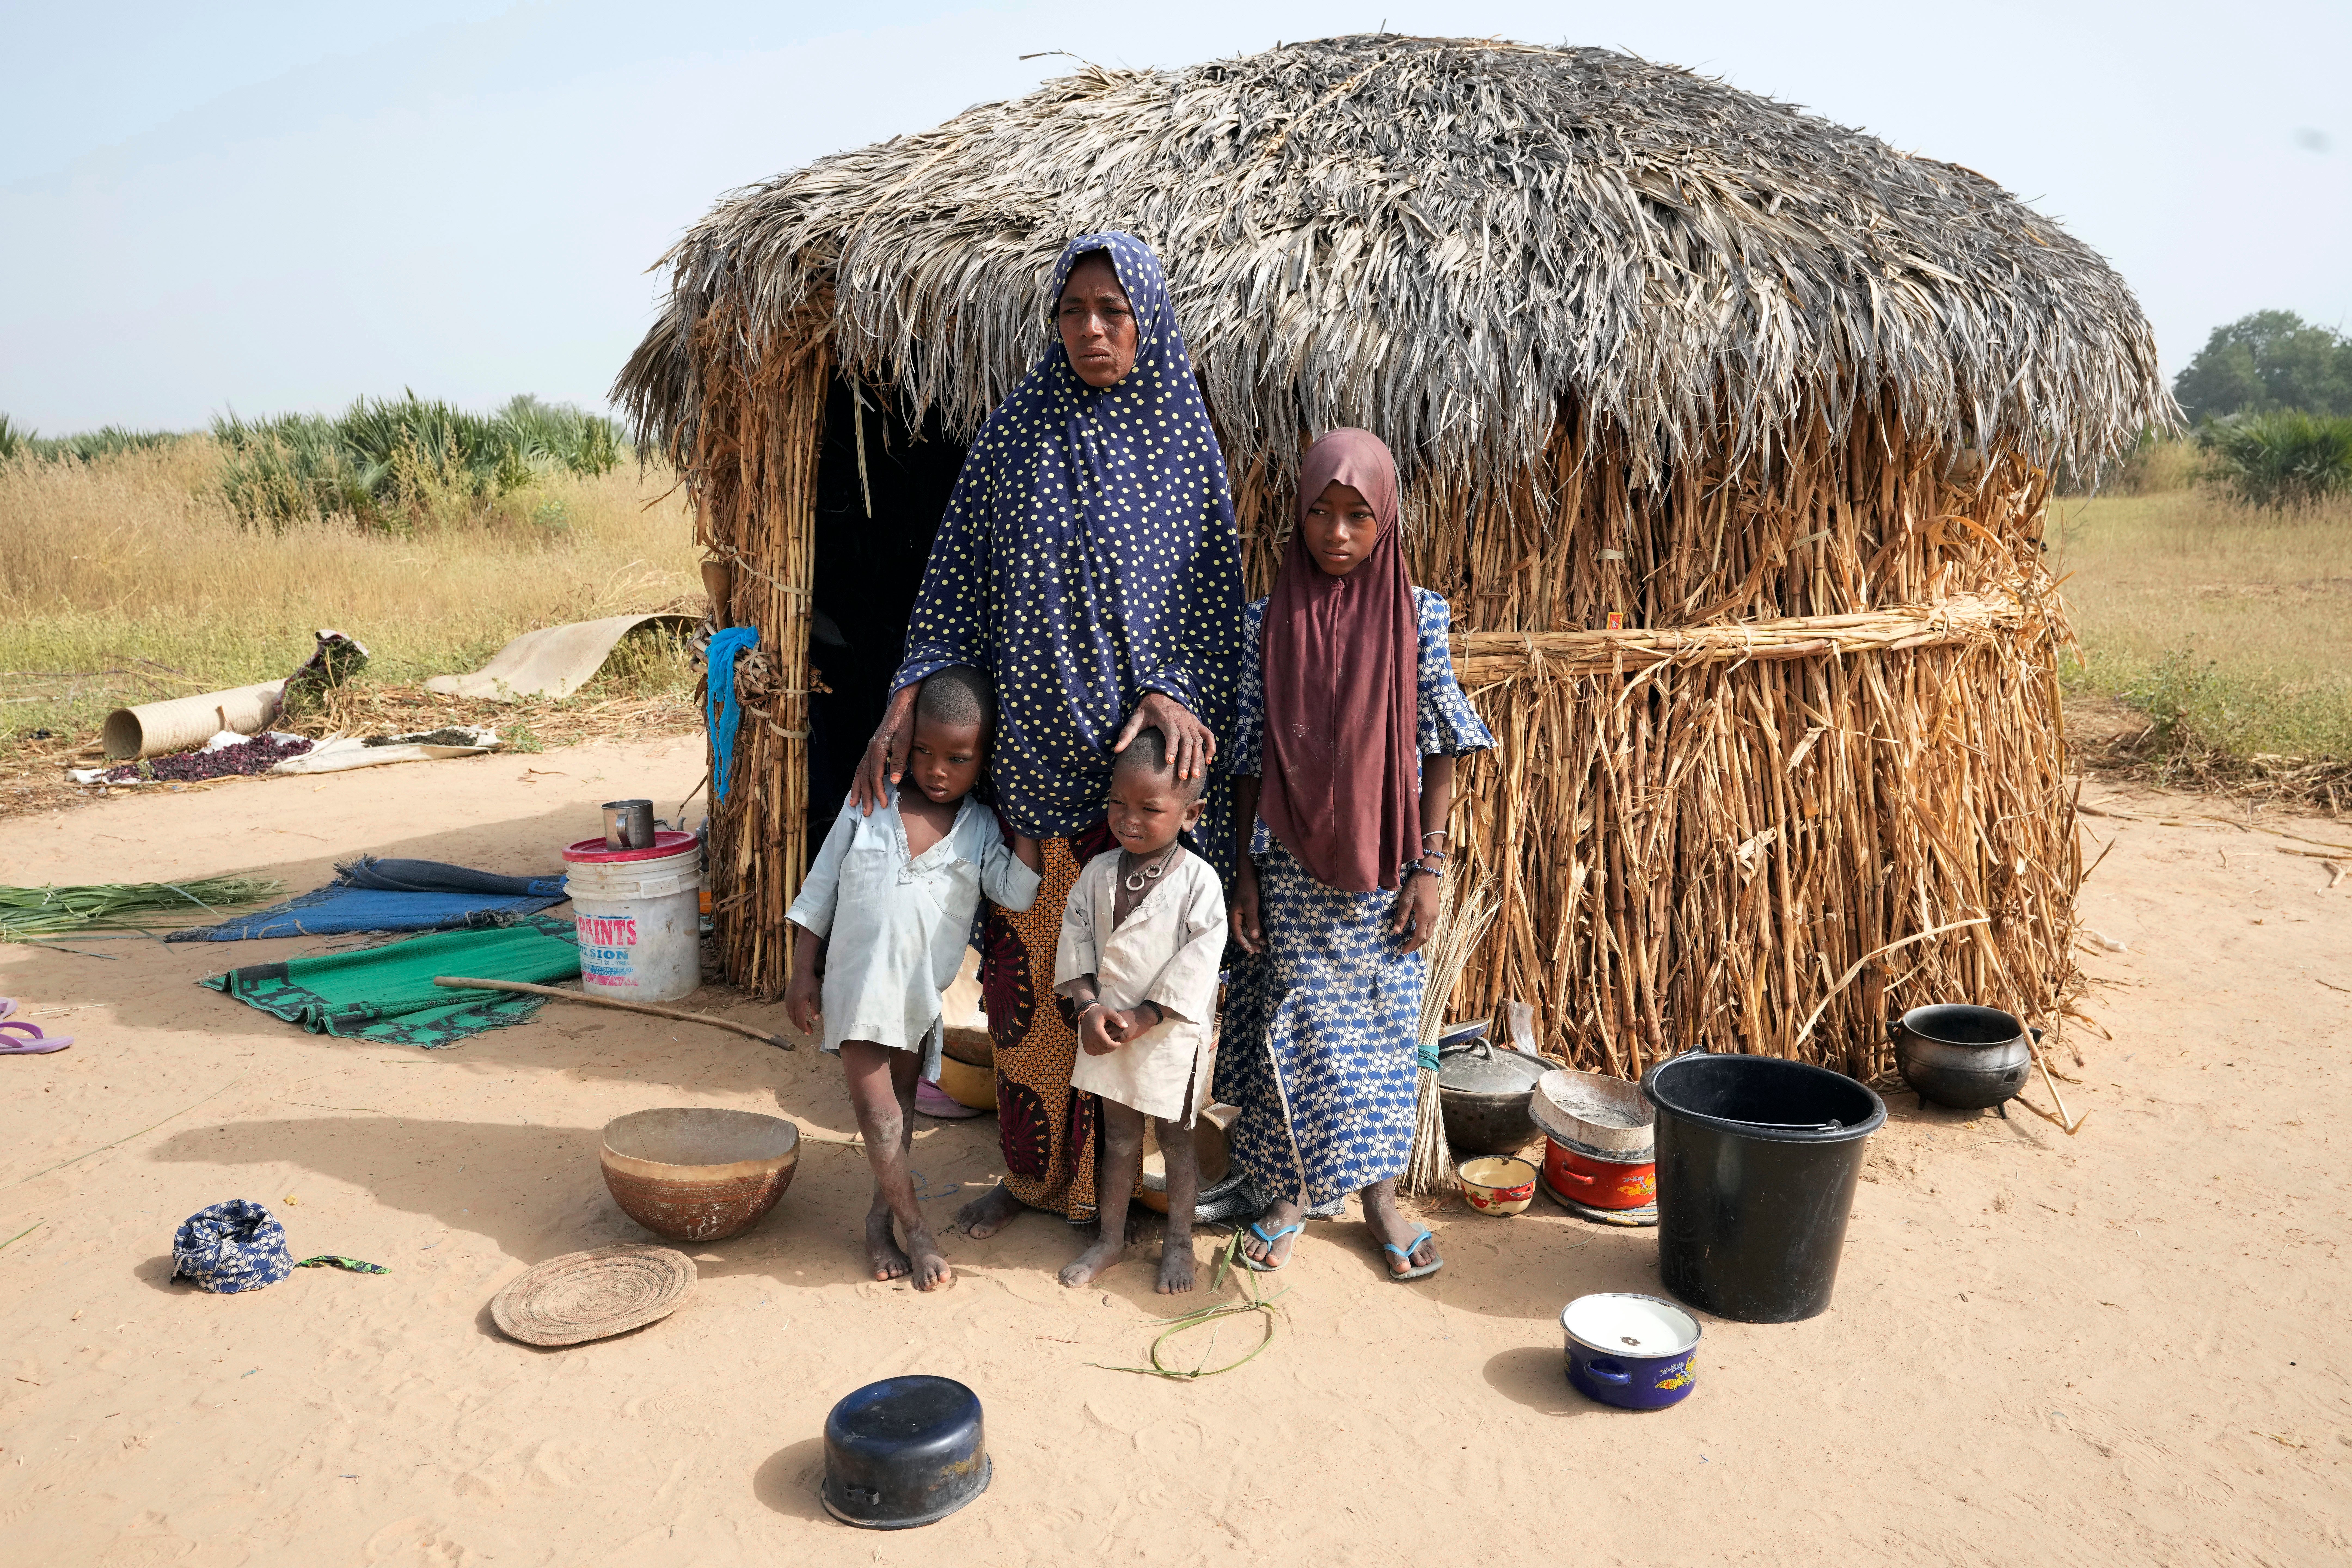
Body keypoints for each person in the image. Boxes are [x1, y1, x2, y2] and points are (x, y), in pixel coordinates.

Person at [852, 232, 1245, 1241]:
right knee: (1028, 997)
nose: (1092, 329)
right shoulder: (1016, 436)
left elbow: (1210, 610)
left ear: (1146, 317)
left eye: (1112, 310)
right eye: (1074, 312)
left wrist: (1172, 688)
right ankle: (1033, 1183)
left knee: (1130, 997)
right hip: (1030, 768)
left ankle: (1118, 1201)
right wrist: (909, 691)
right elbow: (955, 583)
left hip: (1136, 786)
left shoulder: (1181, 444)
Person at [1217, 428, 1496, 1280]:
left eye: (1357, 517)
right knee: (1293, 1024)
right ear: (1297, 517)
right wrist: (1243, 872)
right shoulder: (1267, 621)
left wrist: (1432, 864)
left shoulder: (1421, 615)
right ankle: (1290, 1194)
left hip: (1387, 863)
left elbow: (1441, 745)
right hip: (1290, 861)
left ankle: (1379, 1197)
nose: (1336, 534)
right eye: (1320, 514)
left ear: (1388, 523)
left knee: (1379, 1029)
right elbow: (1246, 757)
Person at [786, 667, 1042, 1291]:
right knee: (879, 1119)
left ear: (984, 761)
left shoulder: (981, 829)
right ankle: (917, 1231)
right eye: (924, 751)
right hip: (855, 991)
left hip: (916, 1002)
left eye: (958, 758)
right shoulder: (869, 801)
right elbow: (820, 891)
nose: (936, 769)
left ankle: (879, 1222)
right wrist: (801, 971)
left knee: (900, 1111)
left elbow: (1016, 892)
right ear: (904, 744)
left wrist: (1031, 815)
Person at [1051, 727, 1226, 1293]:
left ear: (1191, 813)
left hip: (1167, 1039)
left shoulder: (1200, 883)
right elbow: (1075, 934)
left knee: (1176, 1143)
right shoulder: (1100, 871)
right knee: (1120, 1139)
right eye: (1118, 804)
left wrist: (1147, 1017)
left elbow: (1200, 960)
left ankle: (1179, 1242)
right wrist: (1086, 1007)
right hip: (1106, 1031)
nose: (1129, 819)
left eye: (1150, 808)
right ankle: (1110, 1240)